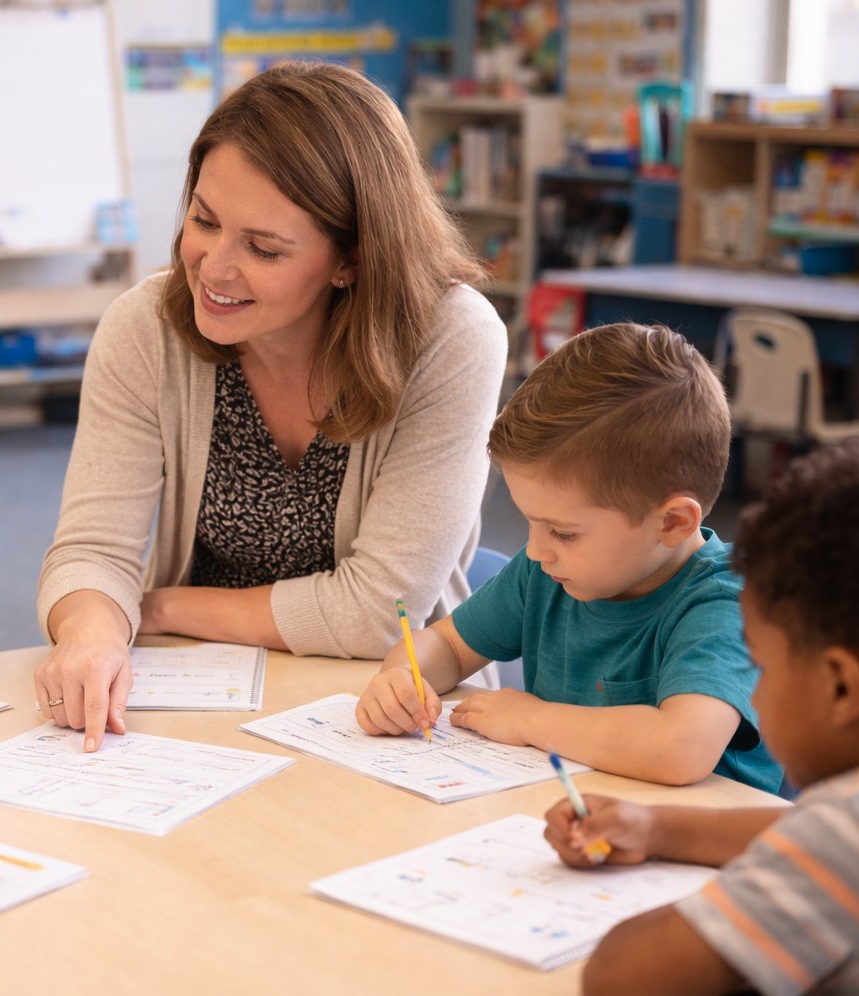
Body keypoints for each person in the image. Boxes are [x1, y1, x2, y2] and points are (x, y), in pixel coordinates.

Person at [35, 61, 508, 751]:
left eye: (263, 248)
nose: (214, 267)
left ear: (351, 260)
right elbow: (91, 549)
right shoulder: (146, 328)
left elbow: (377, 615)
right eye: (204, 219)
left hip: (387, 715)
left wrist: (153, 604)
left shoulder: (451, 338)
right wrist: (91, 629)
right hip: (192, 699)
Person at [545, 436, 859, 996]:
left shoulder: (852, 842)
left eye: (761, 667)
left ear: (842, 687)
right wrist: (659, 826)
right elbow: (804, 827)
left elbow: (625, 988)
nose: (757, 694)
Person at [356, 323, 781, 792]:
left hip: (701, 848)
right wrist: (401, 679)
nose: (535, 550)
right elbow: (450, 646)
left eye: (562, 531)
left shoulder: (726, 604)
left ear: (672, 523)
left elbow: (680, 747)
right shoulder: (549, 570)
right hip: (564, 822)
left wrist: (533, 719)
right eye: (530, 522)